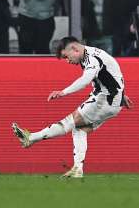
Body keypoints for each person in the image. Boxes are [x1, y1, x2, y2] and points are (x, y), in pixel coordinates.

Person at [12, 36, 133, 178]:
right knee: (79, 129)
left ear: (75, 49)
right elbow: (112, 73)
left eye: (66, 57)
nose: (68, 61)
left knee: (70, 121)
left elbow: (85, 80)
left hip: (105, 100)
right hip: (111, 100)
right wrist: (121, 94)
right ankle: (77, 169)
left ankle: (31, 138)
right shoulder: (92, 54)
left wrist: (63, 92)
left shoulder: (92, 58)